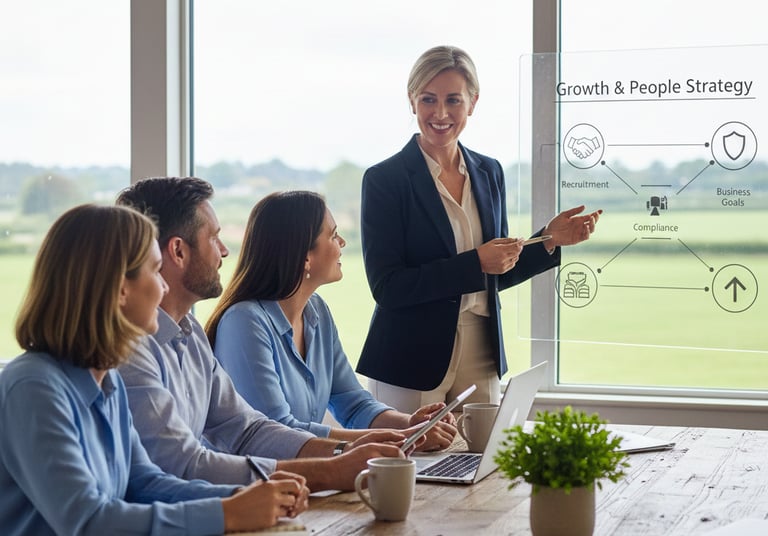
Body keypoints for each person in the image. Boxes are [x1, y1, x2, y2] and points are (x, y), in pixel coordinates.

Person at [0, 204, 309, 535]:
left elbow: (144, 482)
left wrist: (241, 497)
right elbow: (87, 521)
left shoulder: (108, 381)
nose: (164, 287)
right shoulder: (33, 387)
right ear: (120, 288)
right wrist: (227, 513)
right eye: (155, 270)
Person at [116, 177, 406, 493]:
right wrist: (328, 470)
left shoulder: (191, 333)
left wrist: (345, 454)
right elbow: (182, 464)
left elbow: (247, 429)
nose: (225, 252)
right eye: (214, 238)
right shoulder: (131, 351)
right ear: (178, 251)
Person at [357, 45, 602, 413]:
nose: (440, 113)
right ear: (412, 101)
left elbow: (494, 272)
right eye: (428, 99)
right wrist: (476, 263)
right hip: (409, 354)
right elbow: (387, 287)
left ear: (472, 102)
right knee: (411, 466)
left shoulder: (489, 172)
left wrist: (549, 240)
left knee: (481, 463)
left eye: (453, 100)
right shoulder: (384, 180)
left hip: (482, 350)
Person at [204, 191, 457, 452]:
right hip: (257, 483)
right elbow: (278, 429)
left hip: (305, 476)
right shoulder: (244, 323)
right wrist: (393, 438)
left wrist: (412, 425)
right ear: (305, 255)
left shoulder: (317, 311)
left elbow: (353, 402)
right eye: (333, 235)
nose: (342, 242)